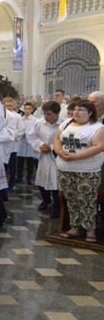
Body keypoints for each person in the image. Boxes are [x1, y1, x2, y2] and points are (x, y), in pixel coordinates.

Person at [55, 100, 104, 243]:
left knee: (87, 200)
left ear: (90, 113)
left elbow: (99, 146)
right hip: (65, 168)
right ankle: (75, 227)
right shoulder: (67, 123)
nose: (76, 112)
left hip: (87, 170)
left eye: (80, 109)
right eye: (75, 109)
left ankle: (90, 230)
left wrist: (75, 156)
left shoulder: (97, 127)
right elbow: (57, 138)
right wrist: (59, 151)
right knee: (71, 199)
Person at [27, 101, 63, 218]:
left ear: (57, 113)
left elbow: (65, 140)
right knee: (42, 179)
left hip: (56, 156)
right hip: (43, 156)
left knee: (55, 181)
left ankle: (57, 205)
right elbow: (32, 136)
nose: (46, 117)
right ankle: (46, 200)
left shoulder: (63, 124)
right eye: (44, 114)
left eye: (49, 114)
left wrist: (52, 147)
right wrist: (41, 145)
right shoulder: (39, 123)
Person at [17, 102, 38, 184]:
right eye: (25, 109)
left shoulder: (35, 120)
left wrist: (28, 133)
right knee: (20, 160)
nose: (27, 111)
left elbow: (35, 130)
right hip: (22, 140)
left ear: (32, 110)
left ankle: (29, 177)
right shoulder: (20, 119)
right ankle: (19, 176)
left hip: (30, 141)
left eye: (29, 109)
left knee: (30, 160)